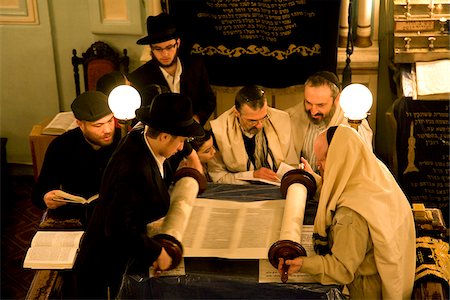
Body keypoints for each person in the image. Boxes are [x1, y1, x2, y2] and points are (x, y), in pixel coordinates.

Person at [73, 93, 205, 299]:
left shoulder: (140, 135)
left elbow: (177, 141)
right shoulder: (134, 170)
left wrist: (191, 155)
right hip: (106, 268)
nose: (181, 147)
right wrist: (157, 253)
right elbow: (117, 228)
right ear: (163, 136)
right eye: (180, 141)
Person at [278, 125, 416, 299]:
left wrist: (303, 264)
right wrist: (315, 178)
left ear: (339, 159)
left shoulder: (351, 216)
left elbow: (341, 270)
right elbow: (340, 189)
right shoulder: (370, 171)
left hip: (366, 291)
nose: (318, 165)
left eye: (322, 160)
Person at [32, 91, 120, 215]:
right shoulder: (61, 146)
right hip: (76, 213)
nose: (107, 130)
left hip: (117, 211)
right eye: (98, 125)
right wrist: (46, 198)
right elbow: (39, 192)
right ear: (80, 124)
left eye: (110, 121)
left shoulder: (124, 140)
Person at [128, 12, 216, 126]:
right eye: (158, 49)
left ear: (177, 43)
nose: (164, 54)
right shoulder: (139, 77)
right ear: (151, 48)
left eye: (169, 47)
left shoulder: (195, 66)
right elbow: (138, 116)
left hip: (192, 132)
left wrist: (197, 118)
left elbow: (209, 100)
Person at [208, 85, 298, 184]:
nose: (259, 125)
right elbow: (218, 177)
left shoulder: (282, 121)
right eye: (252, 121)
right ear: (237, 113)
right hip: (238, 192)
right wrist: (252, 176)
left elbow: (292, 166)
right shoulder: (219, 131)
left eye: (264, 117)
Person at [285, 71, 373, 173]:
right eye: (308, 103)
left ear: (337, 100)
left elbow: (363, 168)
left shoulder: (354, 124)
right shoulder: (293, 116)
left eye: (320, 105)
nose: (313, 111)